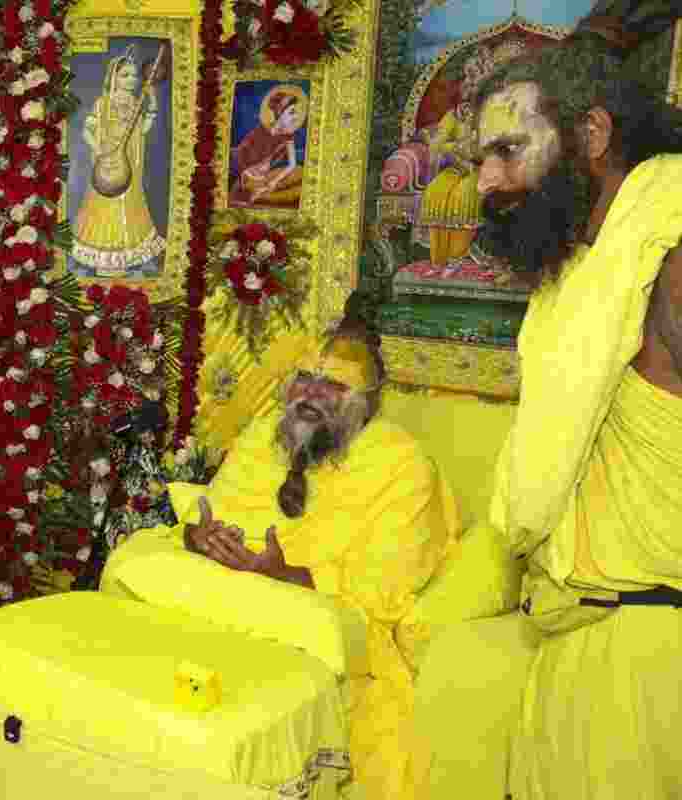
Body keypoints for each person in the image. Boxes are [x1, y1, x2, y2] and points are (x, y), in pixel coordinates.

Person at [410, 5, 682, 799]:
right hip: (583, 642)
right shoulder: (594, 267)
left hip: (646, 659)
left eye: (506, 150)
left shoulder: (665, 260)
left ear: (593, 137)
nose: (485, 181)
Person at [106, 312, 458, 800]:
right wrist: (198, 539)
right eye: (305, 379)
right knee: (132, 562)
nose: (312, 394)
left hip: (320, 612)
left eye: (332, 385)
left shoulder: (404, 464)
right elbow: (214, 512)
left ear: (365, 402)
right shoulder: (264, 433)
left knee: (310, 629)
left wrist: (286, 573)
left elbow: (384, 591)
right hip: (226, 588)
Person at [71, 47, 167, 277]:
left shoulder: (136, 102)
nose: (131, 79)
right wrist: (102, 153)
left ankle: (124, 259)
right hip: (107, 169)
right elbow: (87, 132)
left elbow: (142, 130)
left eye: (134, 75)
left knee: (129, 208)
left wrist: (151, 100)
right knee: (102, 209)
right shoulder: (102, 104)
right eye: (125, 75)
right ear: (113, 76)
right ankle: (102, 261)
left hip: (130, 166)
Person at [229, 83, 308, 208]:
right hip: (251, 179)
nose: (295, 117)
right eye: (291, 112)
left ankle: (262, 194)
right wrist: (250, 174)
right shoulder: (260, 132)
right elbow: (241, 155)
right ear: (279, 113)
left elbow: (292, 165)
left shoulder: (288, 135)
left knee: (301, 172)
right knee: (292, 193)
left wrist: (274, 181)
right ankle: (259, 197)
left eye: (296, 113)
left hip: (268, 177)